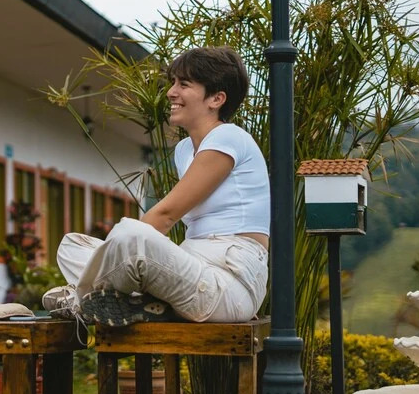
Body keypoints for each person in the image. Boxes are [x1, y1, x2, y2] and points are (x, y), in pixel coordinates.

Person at [44, 46, 269, 325]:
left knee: (132, 237)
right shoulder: (184, 150)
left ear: (216, 98)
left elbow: (165, 215)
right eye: (173, 82)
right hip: (190, 270)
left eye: (184, 84)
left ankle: (79, 300)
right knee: (72, 245)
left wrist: (127, 246)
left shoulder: (229, 137)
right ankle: (136, 304)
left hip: (227, 284)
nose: (171, 92)